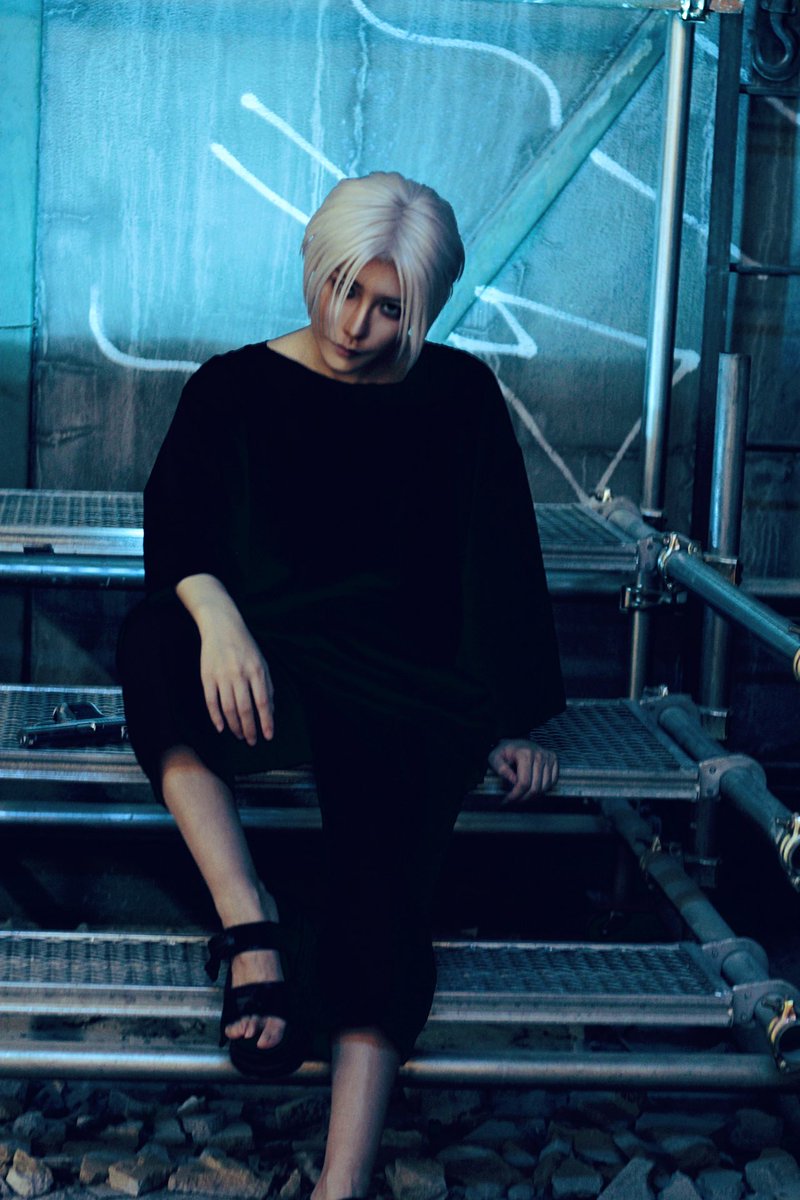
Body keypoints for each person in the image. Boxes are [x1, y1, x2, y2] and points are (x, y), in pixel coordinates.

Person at [117, 170, 564, 1200]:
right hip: (267, 662)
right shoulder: (231, 387)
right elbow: (177, 529)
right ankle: (251, 930)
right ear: (314, 267)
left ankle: (341, 1183)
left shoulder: (458, 396)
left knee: (383, 882)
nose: (355, 324)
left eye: (389, 308)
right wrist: (219, 619)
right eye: (343, 289)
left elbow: (495, 563)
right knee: (154, 639)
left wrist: (509, 721)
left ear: (425, 310)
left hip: (410, 678)